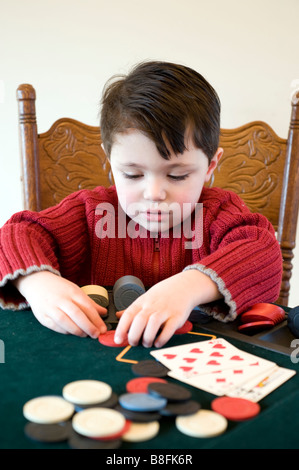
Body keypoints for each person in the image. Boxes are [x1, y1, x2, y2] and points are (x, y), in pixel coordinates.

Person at [0, 61, 282, 348]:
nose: (154, 192)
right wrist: (37, 283)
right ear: (111, 162)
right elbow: (14, 235)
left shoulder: (218, 214)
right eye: (132, 174)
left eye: (177, 175)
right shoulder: (89, 211)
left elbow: (264, 252)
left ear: (210, 166)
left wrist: (187, 288)